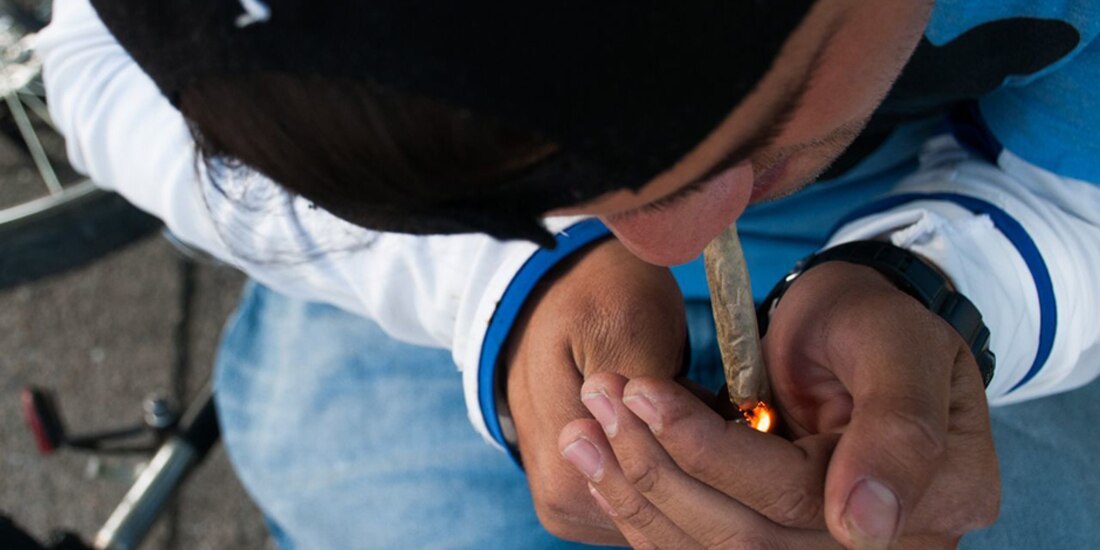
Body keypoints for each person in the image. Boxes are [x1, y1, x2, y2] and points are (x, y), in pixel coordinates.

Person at [39, 0, 1100, 548]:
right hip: (419, 277)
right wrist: (496, 276)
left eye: (752, 133)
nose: (670, 249)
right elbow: (92, 61)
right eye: (577, 178)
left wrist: (948, 284)